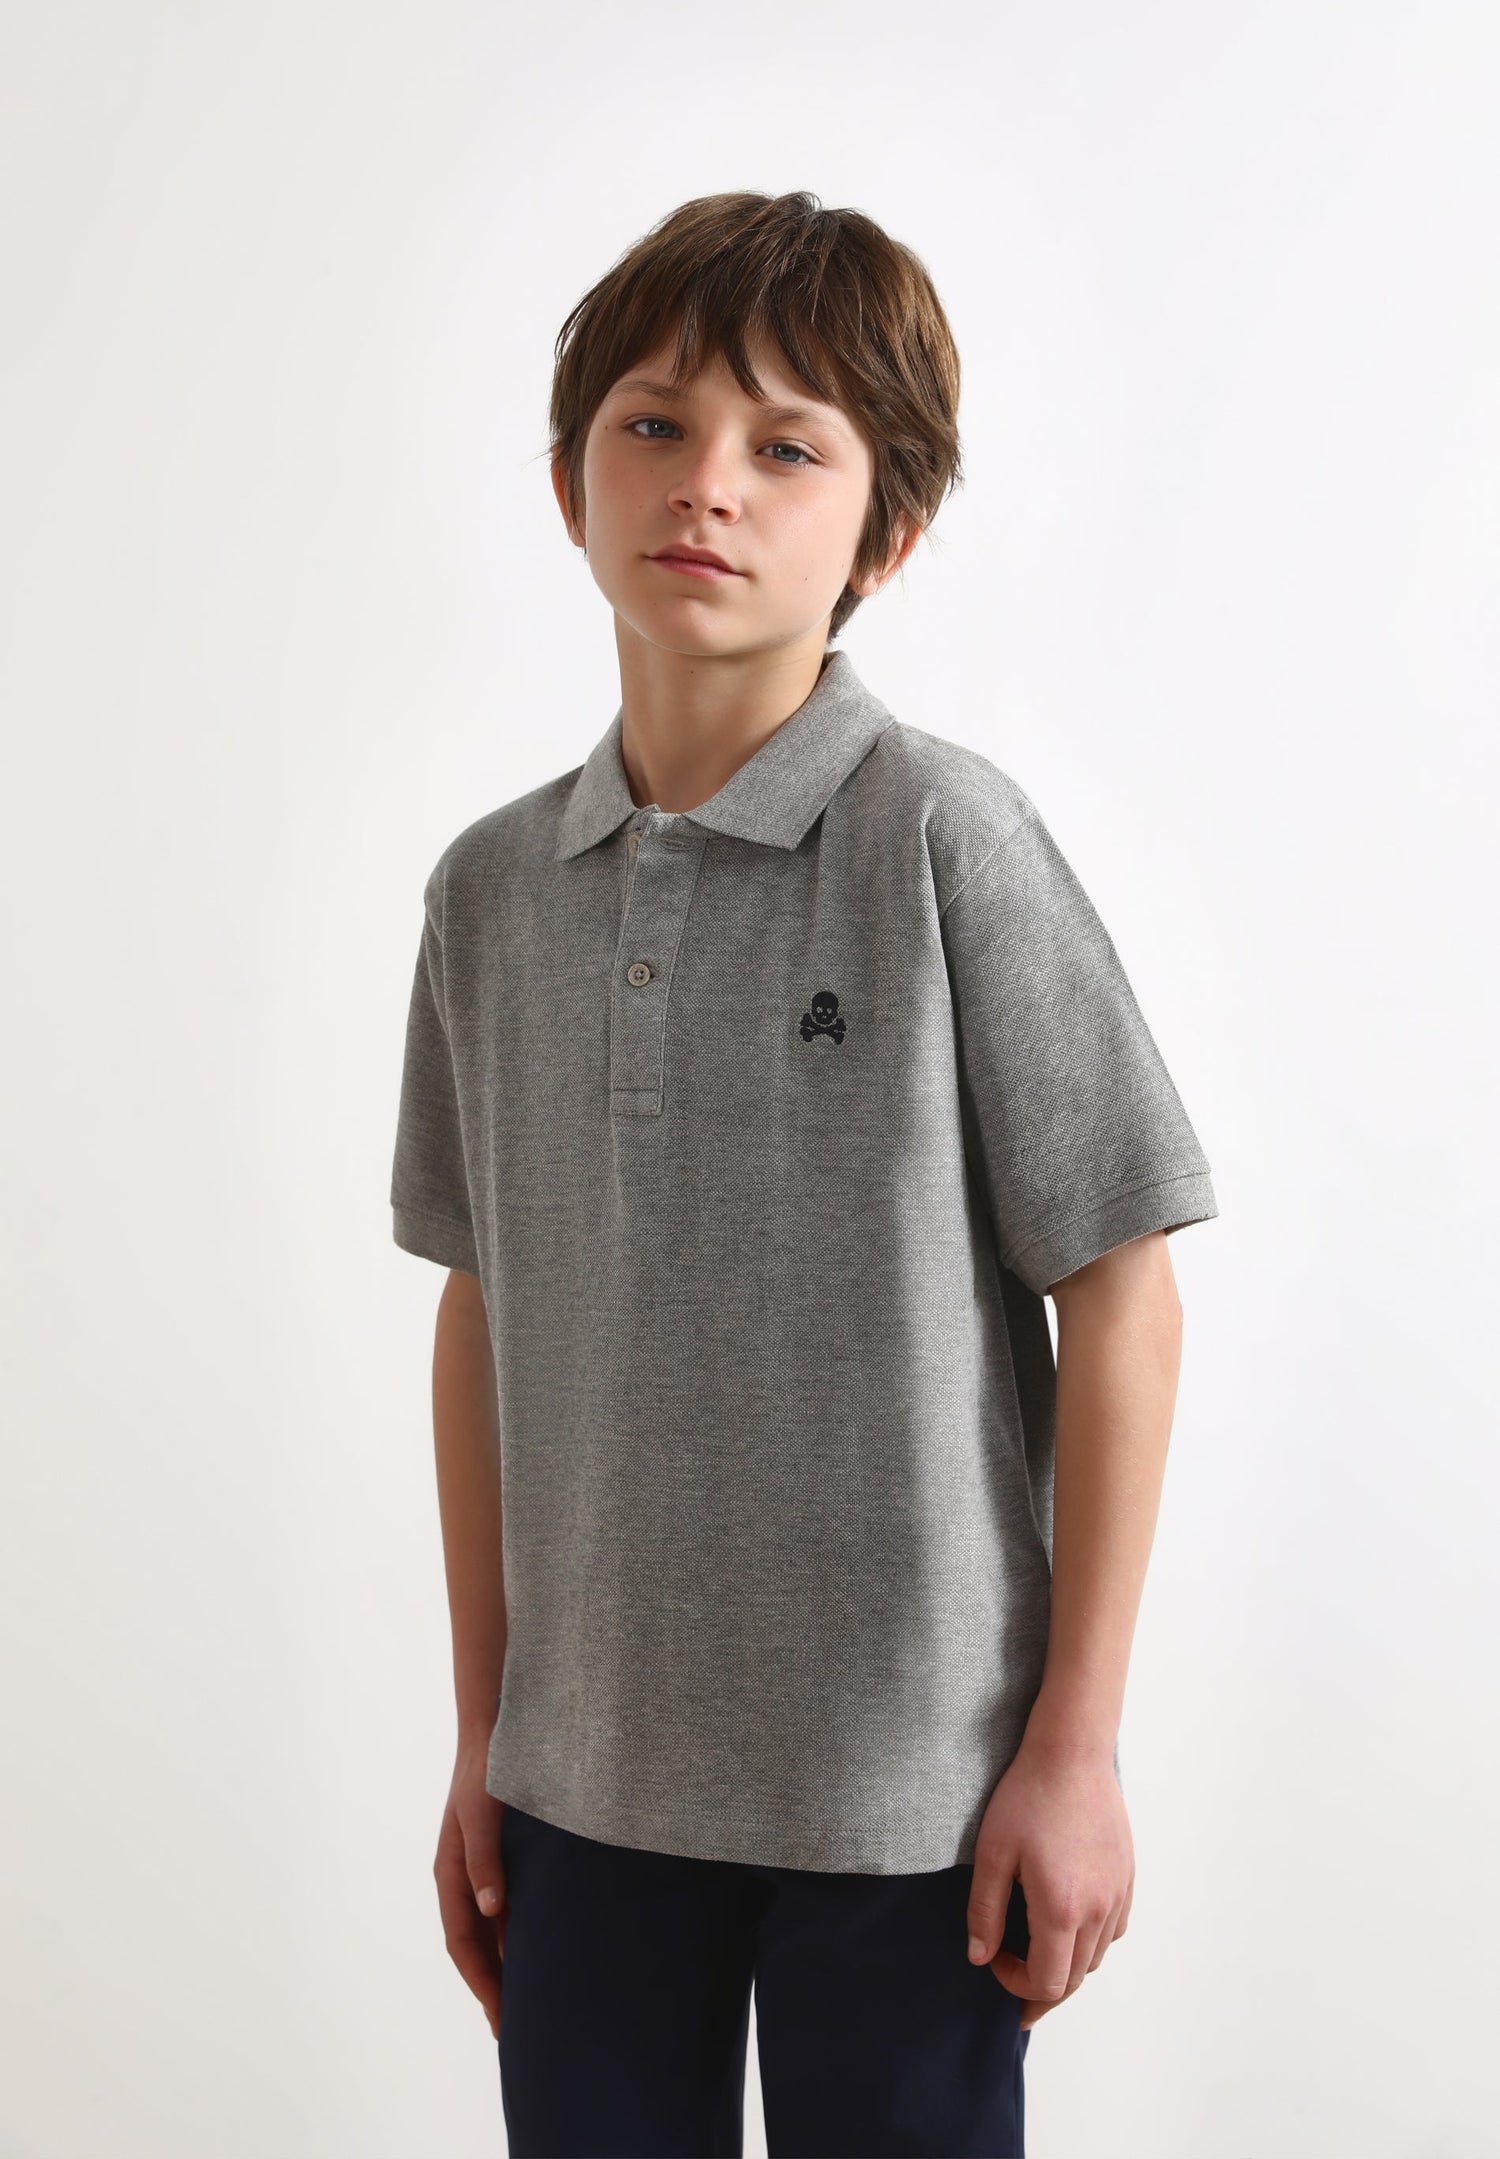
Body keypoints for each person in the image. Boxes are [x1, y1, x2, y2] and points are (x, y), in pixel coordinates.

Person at [389, 189, 1219, 2159]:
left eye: (788, 447)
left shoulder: (945, 840)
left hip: (912, 1804)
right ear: (572, 481)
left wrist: (1077, 1747)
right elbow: (481, 1307)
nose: (709, 485)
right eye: (655, 425)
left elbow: (1121, 1292)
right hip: (584, 1793)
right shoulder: (490, 893)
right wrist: (485, 1735)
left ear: (886, 533)